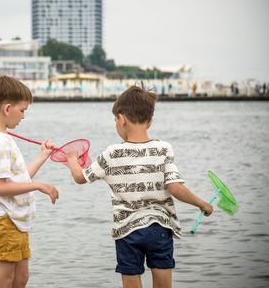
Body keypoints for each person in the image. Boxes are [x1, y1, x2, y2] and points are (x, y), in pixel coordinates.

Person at [65, 85, 213, 288]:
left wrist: (72, 158)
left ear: (121, 119)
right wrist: (202, 203)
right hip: (159, 228)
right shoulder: (163, 149)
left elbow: (80, 177)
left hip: (127, 231)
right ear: (150, 121)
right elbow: (175, 187)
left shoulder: (112, 154)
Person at [0, 74, 59, 288]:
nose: (23, 116)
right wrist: (39, 185)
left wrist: (42, 156)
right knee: (6, 278)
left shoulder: (2, 138)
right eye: (22, 110)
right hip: (5, 218)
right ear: (7, 109)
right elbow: (0, 188)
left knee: (21, 277)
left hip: (15, 219)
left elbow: (17, 178)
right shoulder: (0, 142)